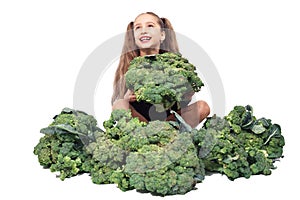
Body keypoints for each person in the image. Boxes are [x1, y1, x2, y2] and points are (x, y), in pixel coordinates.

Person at [111, 12, 210, 128]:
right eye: (138, 28)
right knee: (119, 104)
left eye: (150, 26)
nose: (143, 30)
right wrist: (126, 99)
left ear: (162, 35)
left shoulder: (175, 65)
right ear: (134, 38)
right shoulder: (128, 66)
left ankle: (164, 134)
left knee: (202, 107)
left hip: (169, 122)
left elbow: (180, 106)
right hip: (140, 123)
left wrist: (185, 95)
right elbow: (118, 104)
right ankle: (151, 137)